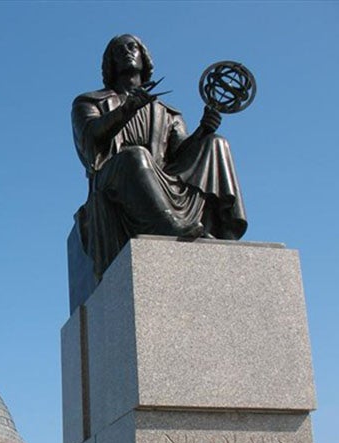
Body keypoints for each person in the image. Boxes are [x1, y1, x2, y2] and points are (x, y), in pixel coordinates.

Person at [72, 34, 247, 281]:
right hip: (115, 178)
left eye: (133, 47)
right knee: (136, 155)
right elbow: (90, 138)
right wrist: (126, 110)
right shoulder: (89, 102)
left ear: (144, 58)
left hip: (163, 178)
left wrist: (203, 131)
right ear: (110, 62)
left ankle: (225, 229)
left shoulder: (167, 112)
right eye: (118, 50)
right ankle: (169, 226)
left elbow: (181, 154)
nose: (126, 52)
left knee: (216, 143)